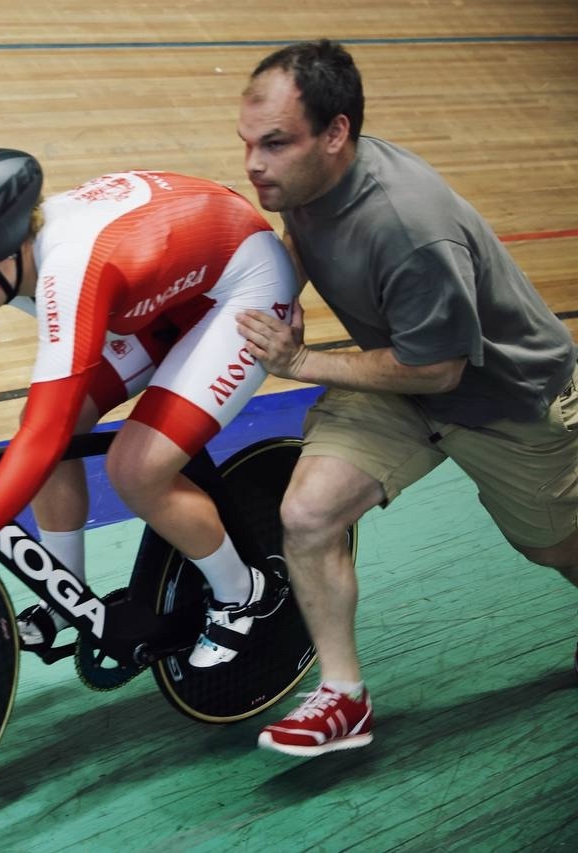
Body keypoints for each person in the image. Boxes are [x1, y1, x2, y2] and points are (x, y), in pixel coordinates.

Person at [0, 148, 298, 667]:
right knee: (53, 431)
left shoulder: (71, 265)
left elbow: (45, 431)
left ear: (7, 248)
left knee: (136, 469)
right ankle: (67, 595)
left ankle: (246, 594)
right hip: (161, 293)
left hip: (241, 289)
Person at [235, 39, 578, 757]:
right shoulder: (304, 180)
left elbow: (441, 371)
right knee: (307, 512)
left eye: (274, 144)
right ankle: (342, 698)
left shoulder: (408, 225)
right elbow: (301, 239)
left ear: (336, 134)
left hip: (507, 400)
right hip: (397, 382)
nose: (254, 165)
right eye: (247, 143)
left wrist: (300, 360)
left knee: (554, 550)